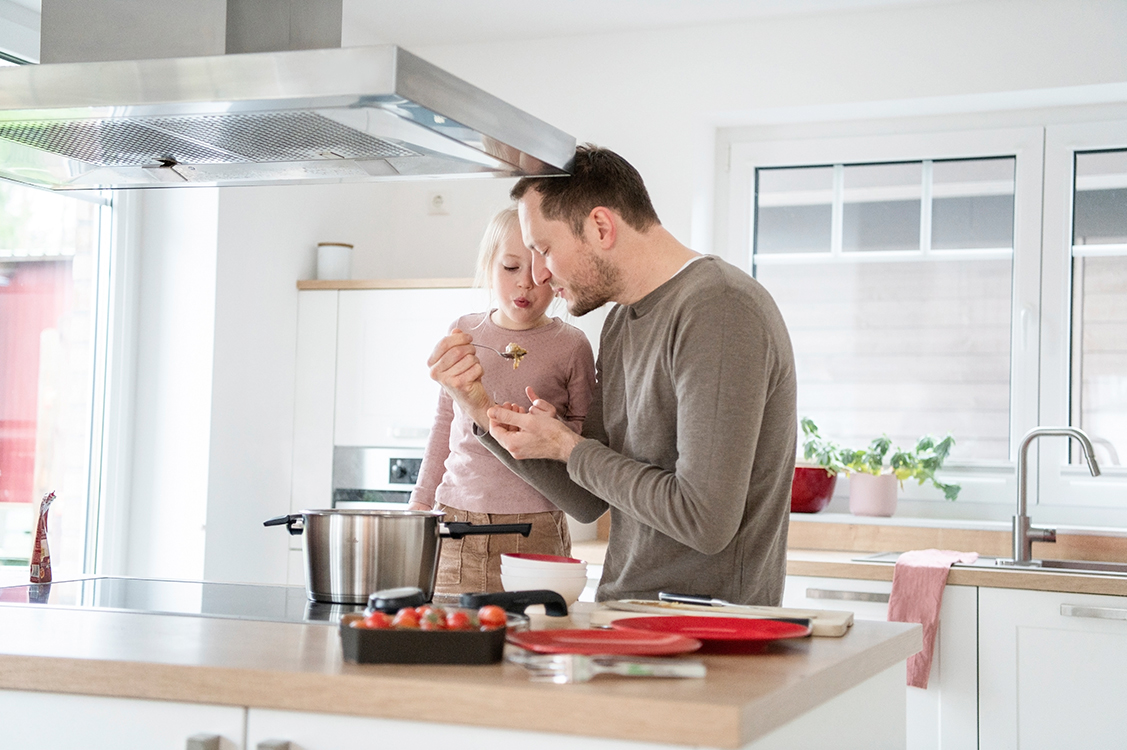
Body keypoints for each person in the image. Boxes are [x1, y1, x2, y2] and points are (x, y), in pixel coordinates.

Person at [426, 145, 797, 606]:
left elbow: (705, 520)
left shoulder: (719, 308)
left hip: (706, 632)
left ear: (600, 227)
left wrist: (567, 445)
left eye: (544, 249)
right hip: (626, 613)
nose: (539, 274)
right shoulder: (622, 321)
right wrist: (479, 409)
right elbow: (587, 499)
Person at [407, 206, 597, 596]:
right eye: (511, 267)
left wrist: (556, 429)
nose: (524, 284)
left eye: (538, 272)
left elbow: (586, 438)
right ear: (488, 266)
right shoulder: (463, 332)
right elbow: (445, 425)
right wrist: (419, 505)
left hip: (538, 527)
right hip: (457, 523)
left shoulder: (572, 345)